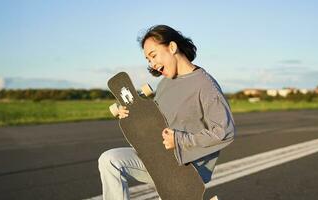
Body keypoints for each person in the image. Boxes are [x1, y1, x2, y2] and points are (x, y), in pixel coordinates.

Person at [98, 24, 235, 200]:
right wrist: (131, 115)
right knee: (110, 160)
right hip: (157, 156)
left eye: (153, 55)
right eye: (148, 60)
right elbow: (155, 120)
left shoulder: (205, 85)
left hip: (186, 168)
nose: (152, 64)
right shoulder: (165, 84)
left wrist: (179, 140)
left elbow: (224, 132)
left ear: (172, 47)